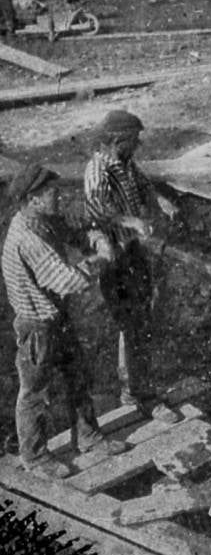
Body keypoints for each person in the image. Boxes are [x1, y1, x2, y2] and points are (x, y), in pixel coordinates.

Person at [2, 163, 127, 480]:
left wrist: (97, 239)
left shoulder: (43, 221)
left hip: (55, 317)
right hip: (37, 326)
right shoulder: (27, 237)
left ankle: (88, 437)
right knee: (35, 392)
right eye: (51, 193)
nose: (58, 196)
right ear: (33, 199)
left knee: (77, 375)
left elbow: (78, 230)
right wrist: (102, 259)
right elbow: (68, 280)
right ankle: (35, 457)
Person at [83, 110, 179, 410]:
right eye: (134, 140)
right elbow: (99, 211)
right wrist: (132, 222)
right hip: (115, 258)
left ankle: (135, 386)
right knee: (132, 324)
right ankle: (140, 395)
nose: (138, 145)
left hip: (132, 251)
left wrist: (159, 199)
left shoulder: (124, 163)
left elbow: (143, 183)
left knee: (140, 320)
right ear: (118, 141)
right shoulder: (98, 171)